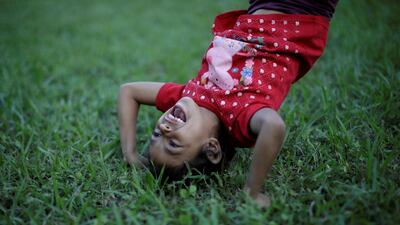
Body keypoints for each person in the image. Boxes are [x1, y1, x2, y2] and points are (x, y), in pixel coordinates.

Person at [118, 0, 338, 207]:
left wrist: (130, 152)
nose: (164, 128)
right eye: (173, 144)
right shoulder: (239, 118)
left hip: (259, 7)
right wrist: (252, 191)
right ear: (212, 148)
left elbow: (128, 91)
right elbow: (274, 126)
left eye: (157, 135)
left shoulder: (188, 96)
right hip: (303, 11)